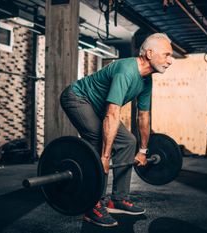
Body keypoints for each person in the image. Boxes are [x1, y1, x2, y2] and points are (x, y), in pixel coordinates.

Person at [60, 33, 173, 227]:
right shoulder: (126, 70)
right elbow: (112, 114)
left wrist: (143, 151)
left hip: (99, 106)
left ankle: (118, 199)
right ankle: (92, 204)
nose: (170, 61)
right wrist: (104, 157)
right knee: (98, 140)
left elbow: (143, 116)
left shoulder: (146, 80)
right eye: (167, 55)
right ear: (149, 53)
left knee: (128, 141)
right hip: (77, 98)